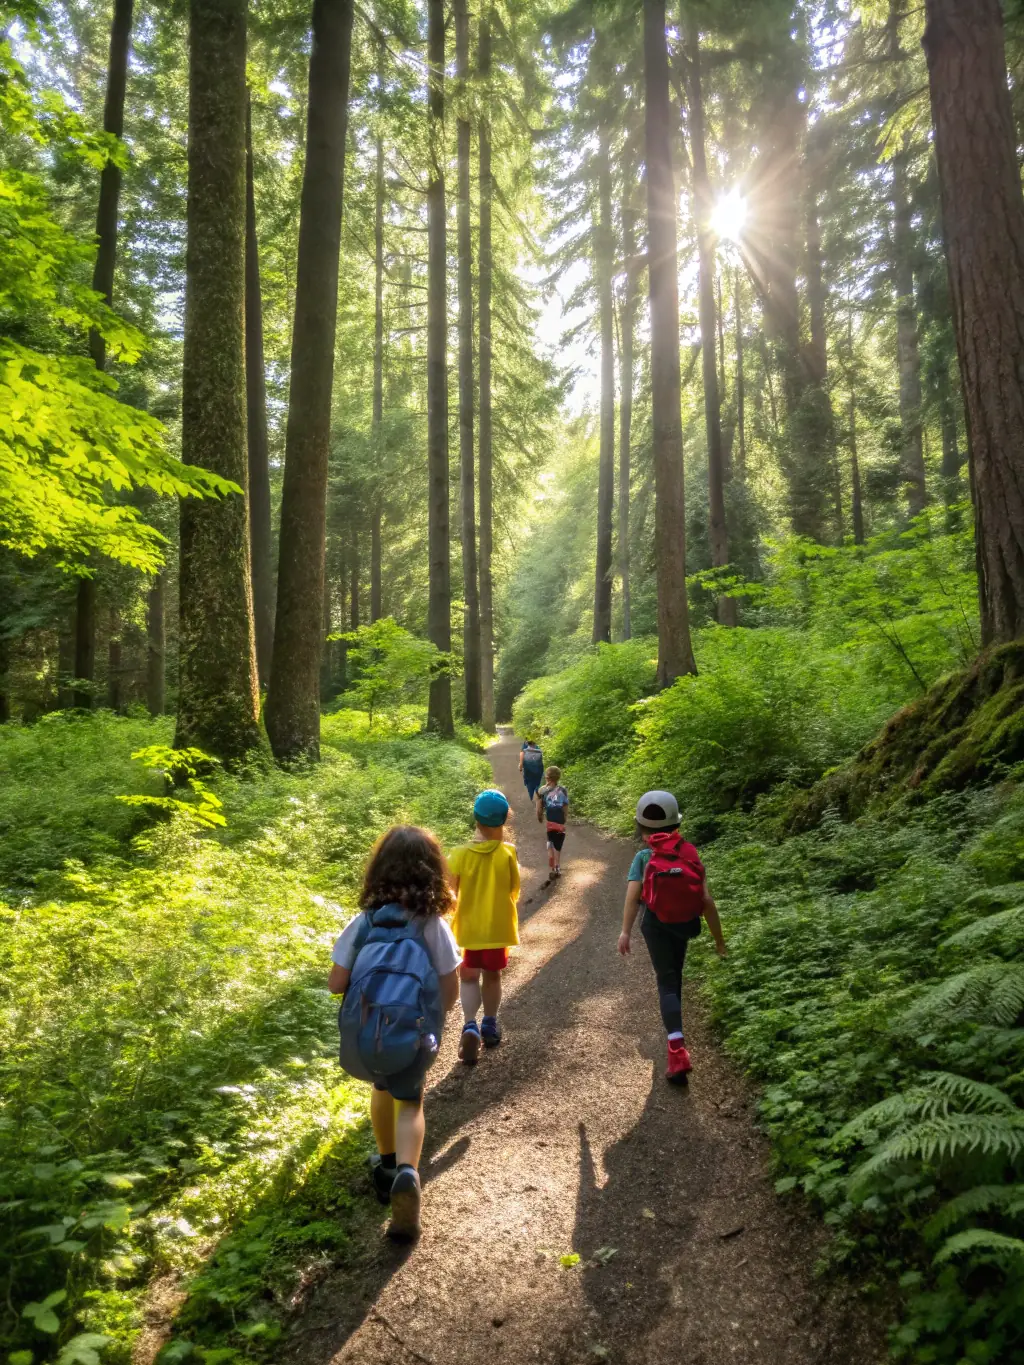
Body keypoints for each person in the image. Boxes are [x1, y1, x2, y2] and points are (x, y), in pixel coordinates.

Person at [328, 825, 460, 1241]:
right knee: (411, 1101)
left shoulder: (364, 922)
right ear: (432, 872)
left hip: (368, 1033)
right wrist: (435, 1017)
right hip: (414, 1032)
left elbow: (336, 983)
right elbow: (449, 984)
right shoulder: (431, 924)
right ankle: (408, 1171)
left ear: (379, 870)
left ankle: (386, 1166)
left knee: (381, 1089)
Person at [617, 791, 726, 1084]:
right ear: (676, 825)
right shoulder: (689, 852)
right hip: (685, 922)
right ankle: (675, 1029)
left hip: (655, 925)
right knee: (674, 974)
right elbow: (706, 900)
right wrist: (719, 939)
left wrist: (625, 931)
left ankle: (676, 1049)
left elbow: (632, 899)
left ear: (641, 828)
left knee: (666, 981)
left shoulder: (643, 858)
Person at [448, 789, 521, 1064]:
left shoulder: (458, 854)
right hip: (497, 928)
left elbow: (450, 894)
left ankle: (469, 1024)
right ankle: (489, 1023)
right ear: (504, 821)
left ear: (476, 820)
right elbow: (514, 891)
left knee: (468, 976)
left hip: (468, 929)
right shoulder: (508, 853)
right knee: (492, 977)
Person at [536, 766, 569, 877]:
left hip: (550, 819)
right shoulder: (563, 790)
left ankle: (550, 853)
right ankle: (557, 866)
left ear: (547, 777)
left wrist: (539, 815)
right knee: (559, 843)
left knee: (550, 838)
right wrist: (565, 816)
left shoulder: (542, 790)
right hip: (559, 819)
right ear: (558, 777)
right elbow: (565, 805)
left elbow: (539, 806)